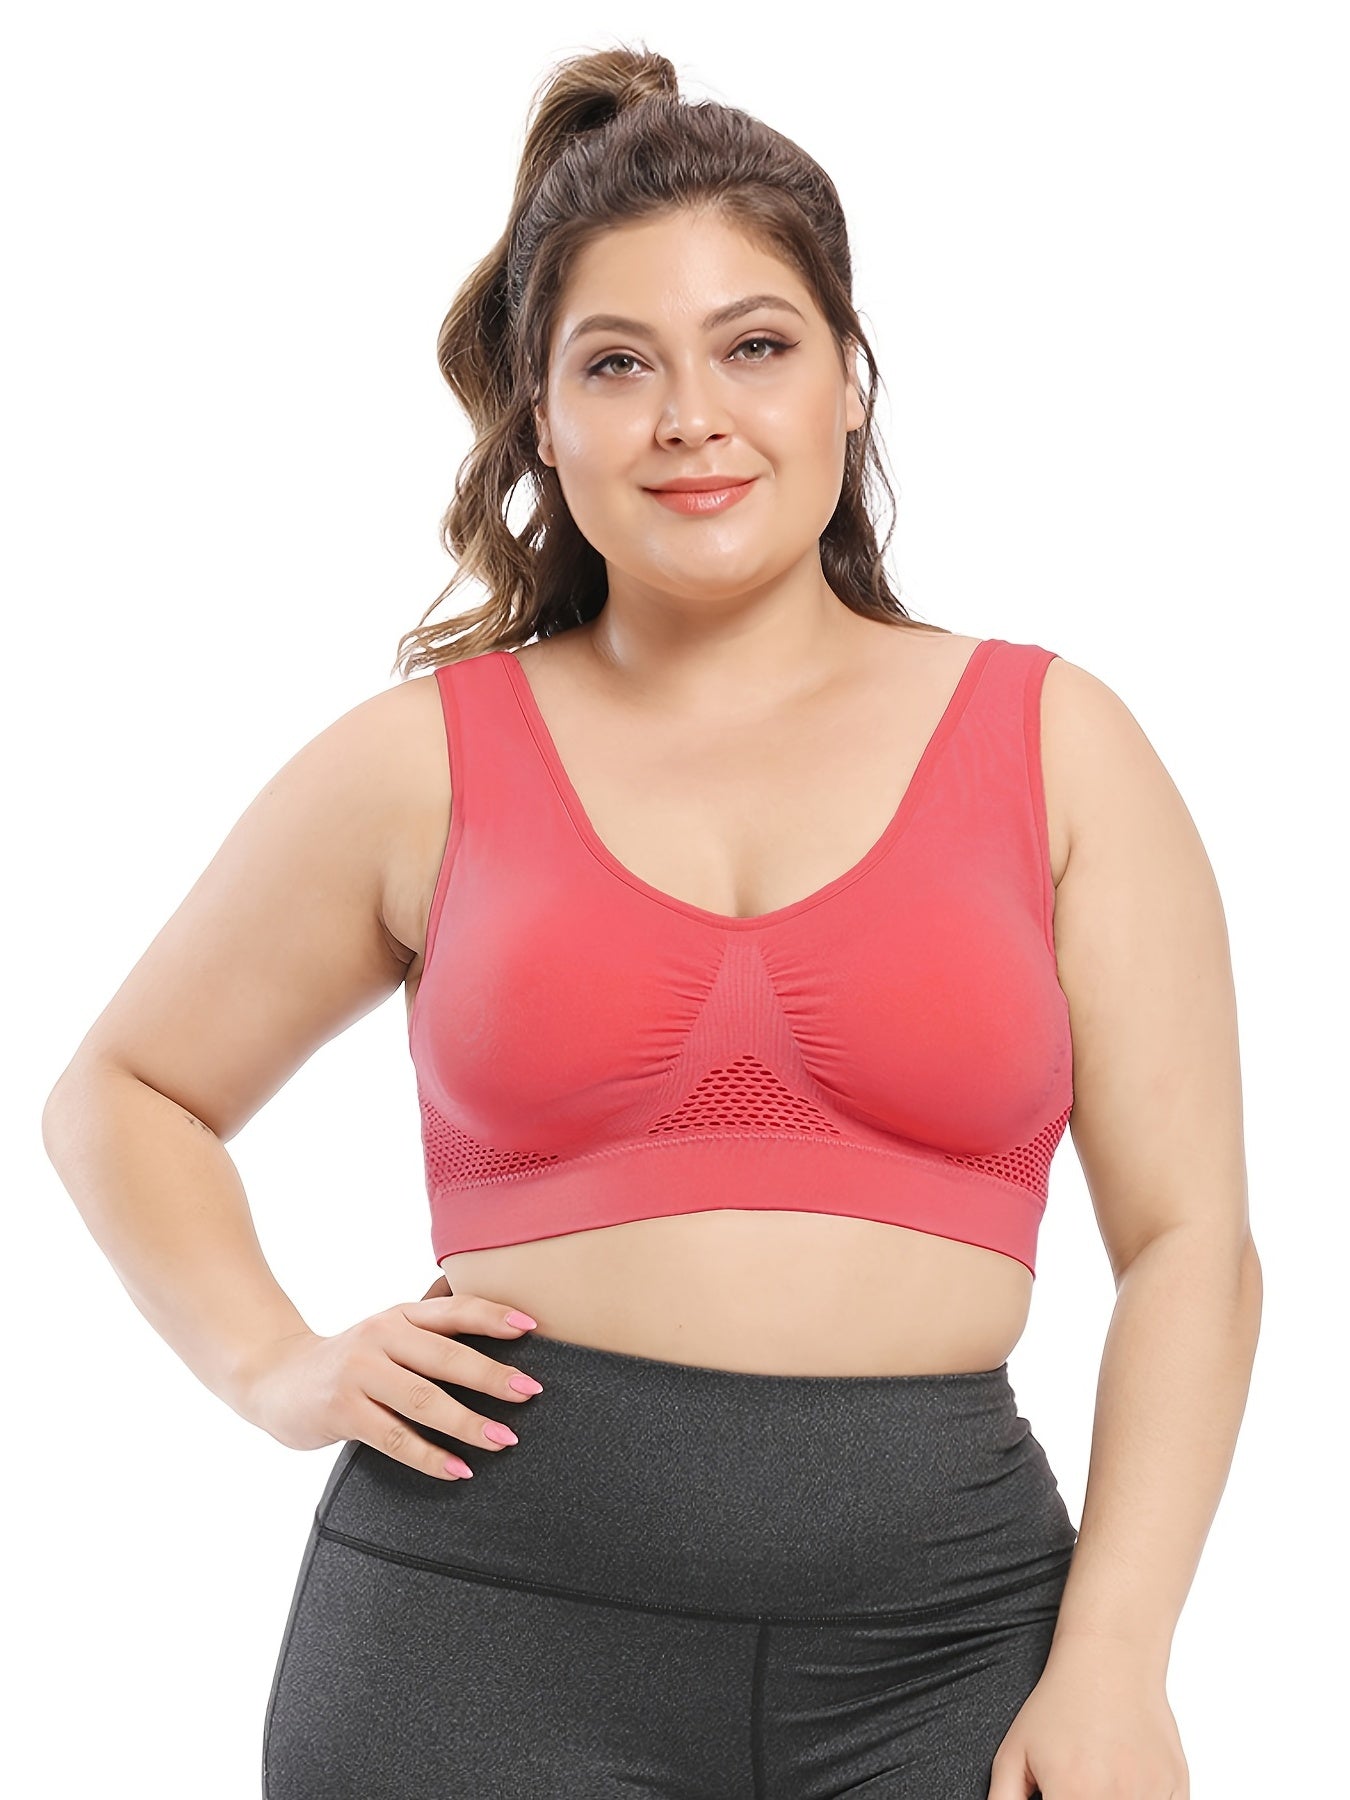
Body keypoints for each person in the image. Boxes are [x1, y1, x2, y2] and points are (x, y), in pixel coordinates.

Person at [42, 41, 1261, 1800]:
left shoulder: (1058, 744)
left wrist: (1118, 1663)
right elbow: (125, 1091)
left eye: (754, 346)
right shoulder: (420, 763)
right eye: (617, 364)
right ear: (543, 423)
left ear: (849, 380)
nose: (690, 414)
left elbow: (1189, 1246)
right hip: (475, 1637)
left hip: (948, 1648)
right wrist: (274, 1364)